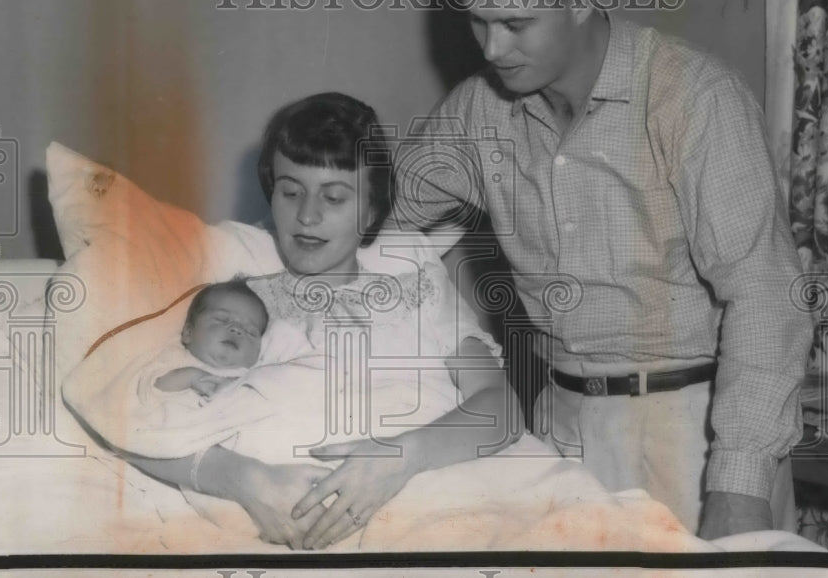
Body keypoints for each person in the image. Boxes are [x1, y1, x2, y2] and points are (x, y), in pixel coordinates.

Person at [391, 0, 814, 539]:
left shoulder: (695, 100)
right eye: (478, 20)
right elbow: (380, 216)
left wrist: (739, 483)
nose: (490, 50)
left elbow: (765, 296)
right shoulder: (479, 110)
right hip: (560, 427)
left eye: (515, 24)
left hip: (692, 431)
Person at [66, 92, 521, 550]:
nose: (307, 215)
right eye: (290, 191)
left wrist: (400, 457)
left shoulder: (412, 279)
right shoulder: (243, 303)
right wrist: (241, 479)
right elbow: (131, 409)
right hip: (286, 512)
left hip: (426, 496)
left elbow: (501, 407)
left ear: (370, 212)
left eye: (335, 197)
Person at [152, 280, 272, 399]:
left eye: (250, 332)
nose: (237, 329)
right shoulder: (175, 358)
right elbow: (150, 388)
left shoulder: (253, 380)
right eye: (222, 320)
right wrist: (190, 377)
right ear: (188, 333)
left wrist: (236, 389)